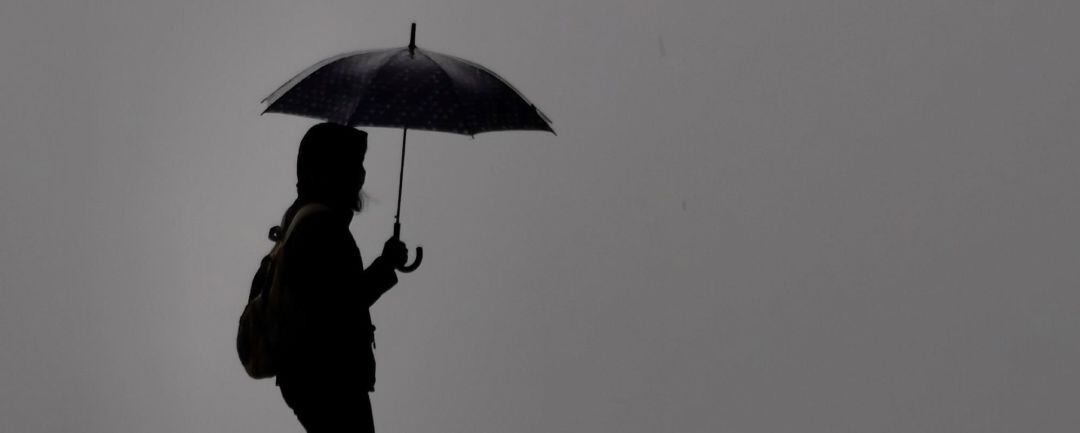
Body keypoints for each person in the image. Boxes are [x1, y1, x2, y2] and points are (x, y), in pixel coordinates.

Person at [274, 122, 409, 433]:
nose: (361, 176)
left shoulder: (303, 218)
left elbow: (336, 296)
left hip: (308, 376)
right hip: (330, 376)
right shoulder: (322, 226)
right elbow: (342, 304)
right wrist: (386, 265)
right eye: (354, 165)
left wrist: (384, 264)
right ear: (333, 170)